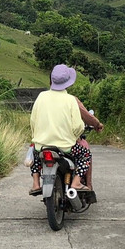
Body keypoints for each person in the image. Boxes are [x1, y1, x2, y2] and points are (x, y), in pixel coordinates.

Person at [28, 64, 103, 196]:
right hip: (65, 147)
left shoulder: (41, 97)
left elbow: (33, 121)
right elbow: (78, 126)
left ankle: (35, 183)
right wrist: (75, 136)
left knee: (34, 155)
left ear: (51, 80)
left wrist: (37, 136)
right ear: (68, 83)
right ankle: (76, 182)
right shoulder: (70, 100)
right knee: (85, 154)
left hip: (42, 146)